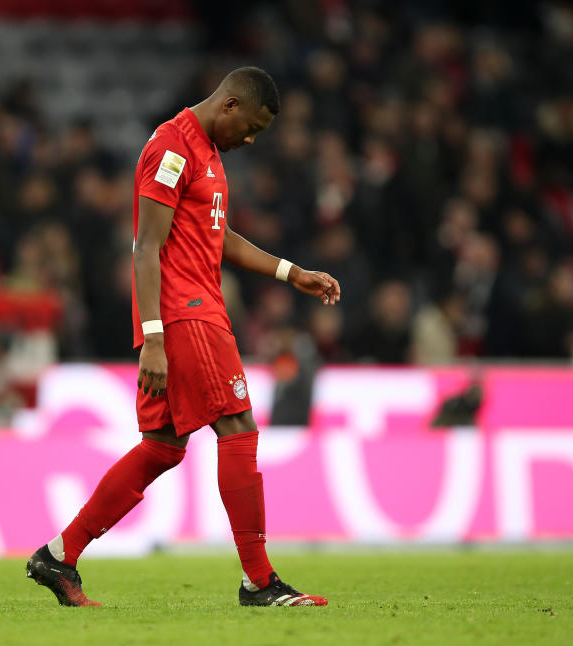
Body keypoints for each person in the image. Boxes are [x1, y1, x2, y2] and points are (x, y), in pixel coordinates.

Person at [26, 67, 340, 607]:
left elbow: (217, 238)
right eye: (252, 128)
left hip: (190, 312)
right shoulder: (172, 149)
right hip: (185, 315)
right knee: (237, 424)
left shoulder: (206, 152)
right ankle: (259, 581)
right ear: (231, 104)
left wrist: (291, 272)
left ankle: (59, 554)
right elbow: (145, 248)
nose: (250, 140)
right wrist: (153, 337)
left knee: (163, 447)